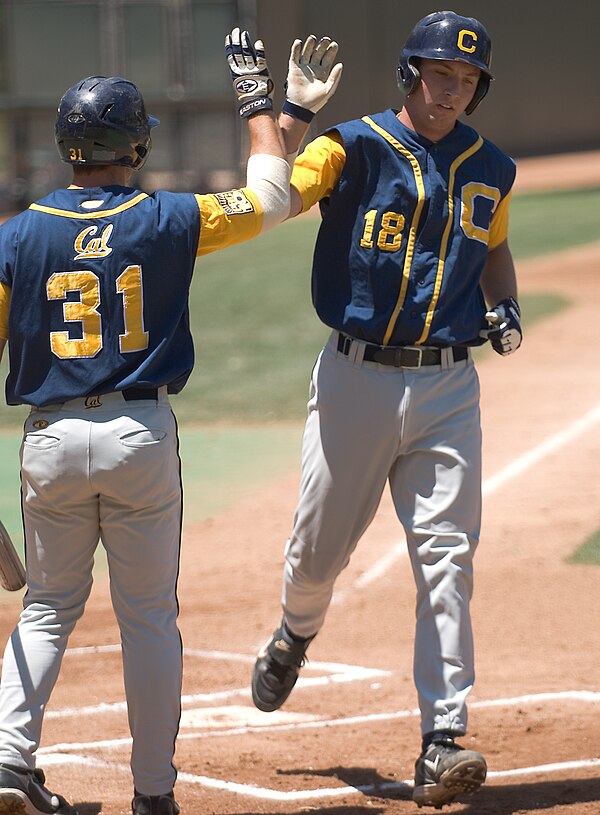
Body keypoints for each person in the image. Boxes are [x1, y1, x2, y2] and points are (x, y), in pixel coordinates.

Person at [0, 27, 341, 815]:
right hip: (137, 436)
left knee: (48, 606)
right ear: (138, 145)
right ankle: (153, 792)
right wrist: (267, 101)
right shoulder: (165, 218)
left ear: (66, 147)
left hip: (48, 441)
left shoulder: (16, 237)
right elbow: (271, 197)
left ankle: (11, 760)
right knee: (148, 617)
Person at [251, 10, 522, 810]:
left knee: (447, 555)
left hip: (448, 387)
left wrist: (503, 305)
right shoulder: (352, 145)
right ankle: (297, 630)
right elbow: (277, 196)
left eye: (468, 81)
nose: (454, 91)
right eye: (442, 75)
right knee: (318, 550)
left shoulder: (491, 165)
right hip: (355, 380)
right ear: (411, 73)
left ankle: (442, 737)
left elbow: (494, 244)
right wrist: (289, 114)